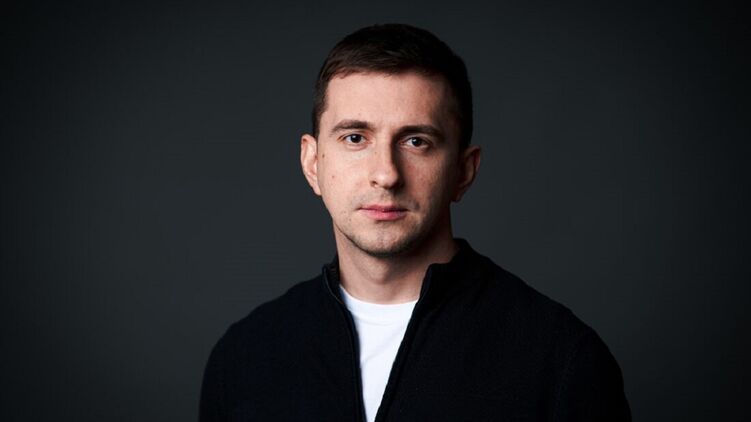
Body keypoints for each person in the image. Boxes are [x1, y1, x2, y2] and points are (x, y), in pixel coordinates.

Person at [200, 23, 630, 421]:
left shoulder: (561, 361)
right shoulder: (243, 358)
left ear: (463, 171)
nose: (386, 174)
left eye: (416, 141)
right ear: (313, 163)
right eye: (355, 138)